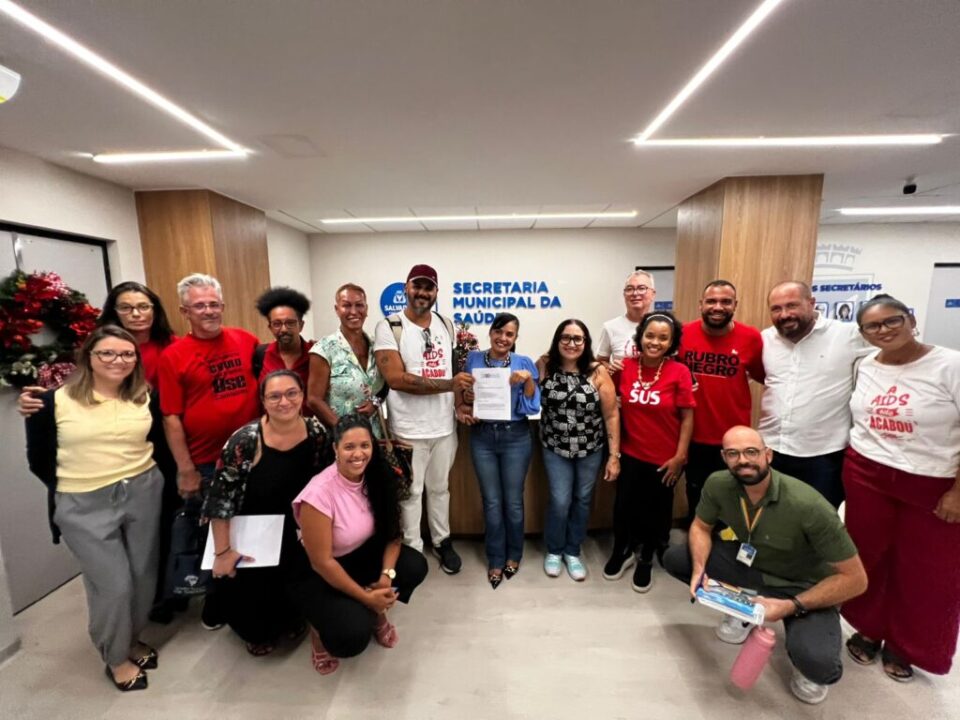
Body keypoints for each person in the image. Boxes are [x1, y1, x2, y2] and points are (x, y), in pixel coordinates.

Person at [663, 426, 868, 705]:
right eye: (733, 454)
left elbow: (856, 580)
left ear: (768, 455)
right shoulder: (718, 484)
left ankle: (801, 648)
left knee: (819, 665)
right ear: (724, 458)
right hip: (752, 567)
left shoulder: (808, 505)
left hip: (803, 585)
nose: (743, 461)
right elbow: (700, 527)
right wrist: (700, 569)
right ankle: (745, 610)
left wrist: (792, 605)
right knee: (678, 559)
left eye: (751, 452)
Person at [18, 280, 183, 623]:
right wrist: (71, 480)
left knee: (152, 549)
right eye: (127, 307)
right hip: (89, 482)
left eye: (144, 306)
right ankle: (123, 628)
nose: (136, 314)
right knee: (113, 575)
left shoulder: (172, 347)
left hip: (152, 458)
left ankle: (159, 601)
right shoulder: (96, 349)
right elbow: (55, 422)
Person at [24, 325, 165, 691]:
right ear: (88, 357)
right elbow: (39, 460)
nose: (119, 360)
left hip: (143, 489)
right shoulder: (51, 402)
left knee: (143, 576)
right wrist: (80, 485)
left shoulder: (144, 395)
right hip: (83, 501)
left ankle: (132, 639)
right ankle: (116, 657)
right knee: (113, 585)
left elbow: (158, 442)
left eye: (127, 354)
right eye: (108, 353)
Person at [841, 294, 960, 682]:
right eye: (872, 326)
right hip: (866, 472)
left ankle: (907, 645)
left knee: (928, 569)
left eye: (892, 320)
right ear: (863, 333)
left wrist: (958, 492)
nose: (884, 330)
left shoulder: (950, 365)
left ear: (911, 319)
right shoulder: (865, 365)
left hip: (932, 480)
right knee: (868, 555)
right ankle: (868, 627)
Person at [202, 370, 332, 656]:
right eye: (274, 396)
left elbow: (326, 482)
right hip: (252, 532)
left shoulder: (316, 432)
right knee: (256, 619)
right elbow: (220, 500)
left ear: (302, 396)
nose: (284, 402)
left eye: (291, 393)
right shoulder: (244, 441)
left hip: (296, 529)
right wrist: (223, 553)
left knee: (296, 593)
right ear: (263, 401)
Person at [157, 273, 261, 629]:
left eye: (214, 304)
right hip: (206, 463)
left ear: (223, 306)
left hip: (253, 456)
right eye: (199, 305)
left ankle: (251, 596)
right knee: (212, 537)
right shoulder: (173, 356)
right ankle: (215, 602)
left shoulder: (245, 340)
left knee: (251, 528)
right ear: (184, 311)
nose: (208, 311)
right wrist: (185, 469)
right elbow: (171, 417)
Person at [291, 415, 428, 674]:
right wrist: (366, 598)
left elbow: (393, 535)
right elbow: (322, 562)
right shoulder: (318, 494)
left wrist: (386, 578)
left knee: (415, 566)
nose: (358, 454)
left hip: (363, 554)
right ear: (335, 449)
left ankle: (376, 606)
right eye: (349, 447)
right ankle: (318, 631)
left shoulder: (379, 474)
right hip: (321, 571)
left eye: (365, 445)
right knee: (351, 636)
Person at [373, 264, 473, 574]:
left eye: (428, 288)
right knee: (412, 493)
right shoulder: (389, 327)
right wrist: (449, 385)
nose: (422, 293)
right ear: (406, 288)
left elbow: (454, 369)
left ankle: (442, 542)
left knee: (440, 489)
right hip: (408, 429)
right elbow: (396, 379)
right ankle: (413, 549)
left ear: (436, 292)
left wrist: (459, 402)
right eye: (417, 286)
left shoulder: (446, 324)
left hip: (444, 428)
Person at [759, 281, 870, 508]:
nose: (784, 314)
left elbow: (891, 356)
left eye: (792, 305)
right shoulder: (765, 339)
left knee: (819, 518)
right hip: (771, 448)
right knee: (772, 515)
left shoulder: (848, 336)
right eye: (776, 308)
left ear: (811, 303)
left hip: (823, 454)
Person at [605, 312, 694, 592]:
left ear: (672, 342)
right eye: (650, 335)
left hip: (664, 458)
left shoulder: (679, 372)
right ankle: (622, 550)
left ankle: (646, 557)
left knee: (656, 510)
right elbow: (608, 400)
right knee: (624, 506)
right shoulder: (626, 367)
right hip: (631, 452)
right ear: (640, 336)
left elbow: (687, 418)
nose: (655, 342)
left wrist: (680, 457)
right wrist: (606, 369)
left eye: (663, 338)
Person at [455, 313, 540, 588]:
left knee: (513, 502)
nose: (503, 338)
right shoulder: (473, 359)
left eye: (509, 334)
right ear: (491, 332)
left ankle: (514, 554)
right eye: (499, 332)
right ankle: (495, 557)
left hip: (516, 437)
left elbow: (531, 406)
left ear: (515, 338)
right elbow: (465, 396)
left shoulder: (524, 363)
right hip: (482, 437)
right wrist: (467, 401)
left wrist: (528, 380)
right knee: (491, 502)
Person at [537, 319, 620, 581]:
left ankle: (572, 551)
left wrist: (614, 456)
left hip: (590, 450)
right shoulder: (544, 364)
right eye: (566, 337)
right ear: (557, 340)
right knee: (560, 501)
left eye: (577, 338)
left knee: (582, 500)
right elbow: (527, 395)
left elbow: (611, 415)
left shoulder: (597, 371)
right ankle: (554, 550)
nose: (571, 343)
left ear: (586, 342)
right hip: (555, 448)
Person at [677, 280, 764, 526]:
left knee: (733, 496)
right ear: (701, 305)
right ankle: (696, 537)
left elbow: (764, 376)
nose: (718, 307)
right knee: (695, 491)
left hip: (733, 438)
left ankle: (727, 542)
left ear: (735, 305)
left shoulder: (751, 338)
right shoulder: (682, 334)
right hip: (692, 434)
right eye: (711, 301)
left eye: (725, 301)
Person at [307, 283, 385, 436]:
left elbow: (385, 384)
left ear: (366, 309)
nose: (353, 311)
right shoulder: (324, 349)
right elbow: (314, 399)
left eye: (359, 305)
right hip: (340, 438)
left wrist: (375, 403)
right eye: (346, 306)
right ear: (337, 309)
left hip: (374, 436)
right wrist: (344, 429)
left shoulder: (377, 346)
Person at [253, 286, 315, 391]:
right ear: (270, 327)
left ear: (301, 325)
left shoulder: (315, 354)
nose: (284, 329)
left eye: (290, 323)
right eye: (277, 324)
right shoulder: (260, 355)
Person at [596, 269, 657, 376]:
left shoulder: (663, 327)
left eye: (641, 288)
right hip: (621, 385)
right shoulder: (610, 327)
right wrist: (609, 368)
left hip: (656, 384)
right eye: (629, 289)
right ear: (624, 295)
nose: (635, 293)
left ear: (653, 294)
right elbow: (600, 361)